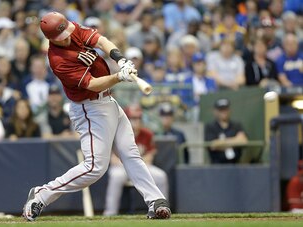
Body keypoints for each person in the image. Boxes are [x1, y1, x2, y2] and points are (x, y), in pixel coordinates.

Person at [22, 12, 170, 221]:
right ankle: (42, 194)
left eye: (66, 31)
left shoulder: (71, 28)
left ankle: (155, 201)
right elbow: (92, 84)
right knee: (94, 168)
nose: (67, 36)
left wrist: (120, 59)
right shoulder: (58, 60)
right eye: (61, 35)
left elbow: (100, 40)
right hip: (89, 108)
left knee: (130, 153)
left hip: (108, 102)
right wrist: (119, 76)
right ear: (51, 39)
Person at [104, 104, 168, 216]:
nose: (136, 121)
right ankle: (110, 212)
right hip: (121, 167)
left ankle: (162, 208)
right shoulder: (116, 132)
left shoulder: (146, 134)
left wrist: (137, 165)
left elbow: (150, 156)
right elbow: (112, 157)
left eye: (138, 118)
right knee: (116, 176)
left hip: (141, 166)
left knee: (161, 176)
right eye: (133, 118)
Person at [204, 98, 248, 164]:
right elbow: (213, 145)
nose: (224, 112)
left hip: (236, 165)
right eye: (221, 110)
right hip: (217, 166)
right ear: (216, 111)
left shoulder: (236, 125)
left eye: (226, 109)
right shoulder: (210, 127)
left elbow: (244, 141)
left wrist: (221, 143)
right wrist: (235, 140)